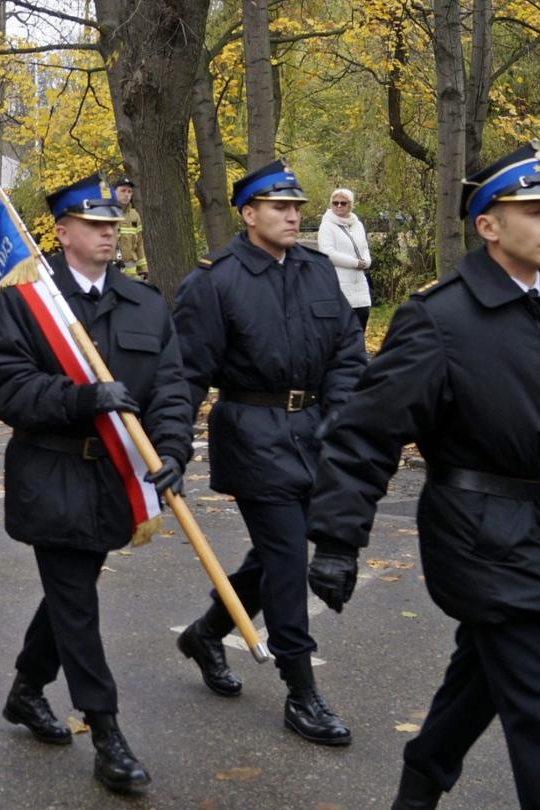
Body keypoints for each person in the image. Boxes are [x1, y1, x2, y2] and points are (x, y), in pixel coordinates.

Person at [306, 142, 540, 810]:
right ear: (488, 225)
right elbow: (365, 430)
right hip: (478, 537)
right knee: (536, 707)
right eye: (535, 210)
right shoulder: (441, 319)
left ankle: (418, 785)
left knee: (480, 680)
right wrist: (337, 540)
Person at [0, 174, 191, 794]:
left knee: (71, 594)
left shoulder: (146, 302)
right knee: (77, 599)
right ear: (62, 232)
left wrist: (173, 449)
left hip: (116, 478)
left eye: (112, 224)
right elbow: (4, 385)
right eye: (93, 224)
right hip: (52, 472)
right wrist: (80, 397)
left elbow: (171, 387)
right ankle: (107, 733)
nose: (108, 232)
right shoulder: (25, 304)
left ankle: (25, 689)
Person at [169, 159, 366, 746]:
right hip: (253, 435)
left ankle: (206, 633)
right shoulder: (214, 280)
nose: (292, 215)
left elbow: (348, 356)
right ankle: (302, 695)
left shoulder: (315, 269)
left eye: (297, 207)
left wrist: (341, 420)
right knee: (286, 559)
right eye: (279, 207)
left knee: (274, 557)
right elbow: (184, 377)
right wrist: (171, 446)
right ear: (248, 213)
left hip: (315, 432)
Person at [318, 188, 374, 329]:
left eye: (343, 203)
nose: (339, 206)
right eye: (335, 203)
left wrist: (366, 262)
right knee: (344, 328)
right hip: (340, 281)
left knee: (362, 318)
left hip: (359, 283)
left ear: (350, 204)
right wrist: (355, 263)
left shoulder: (358, 224)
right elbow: (327, 252)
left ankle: (358, 351)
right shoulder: (327, 225)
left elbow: (364, 248)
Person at [110, 178, 145, 278]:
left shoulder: (135, 216)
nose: (127, 194)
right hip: (110, 272)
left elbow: (140, 244)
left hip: (132, 275)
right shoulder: (106, 213)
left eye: (129, 191)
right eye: (123, 191)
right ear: (114, 192)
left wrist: (143, 269)